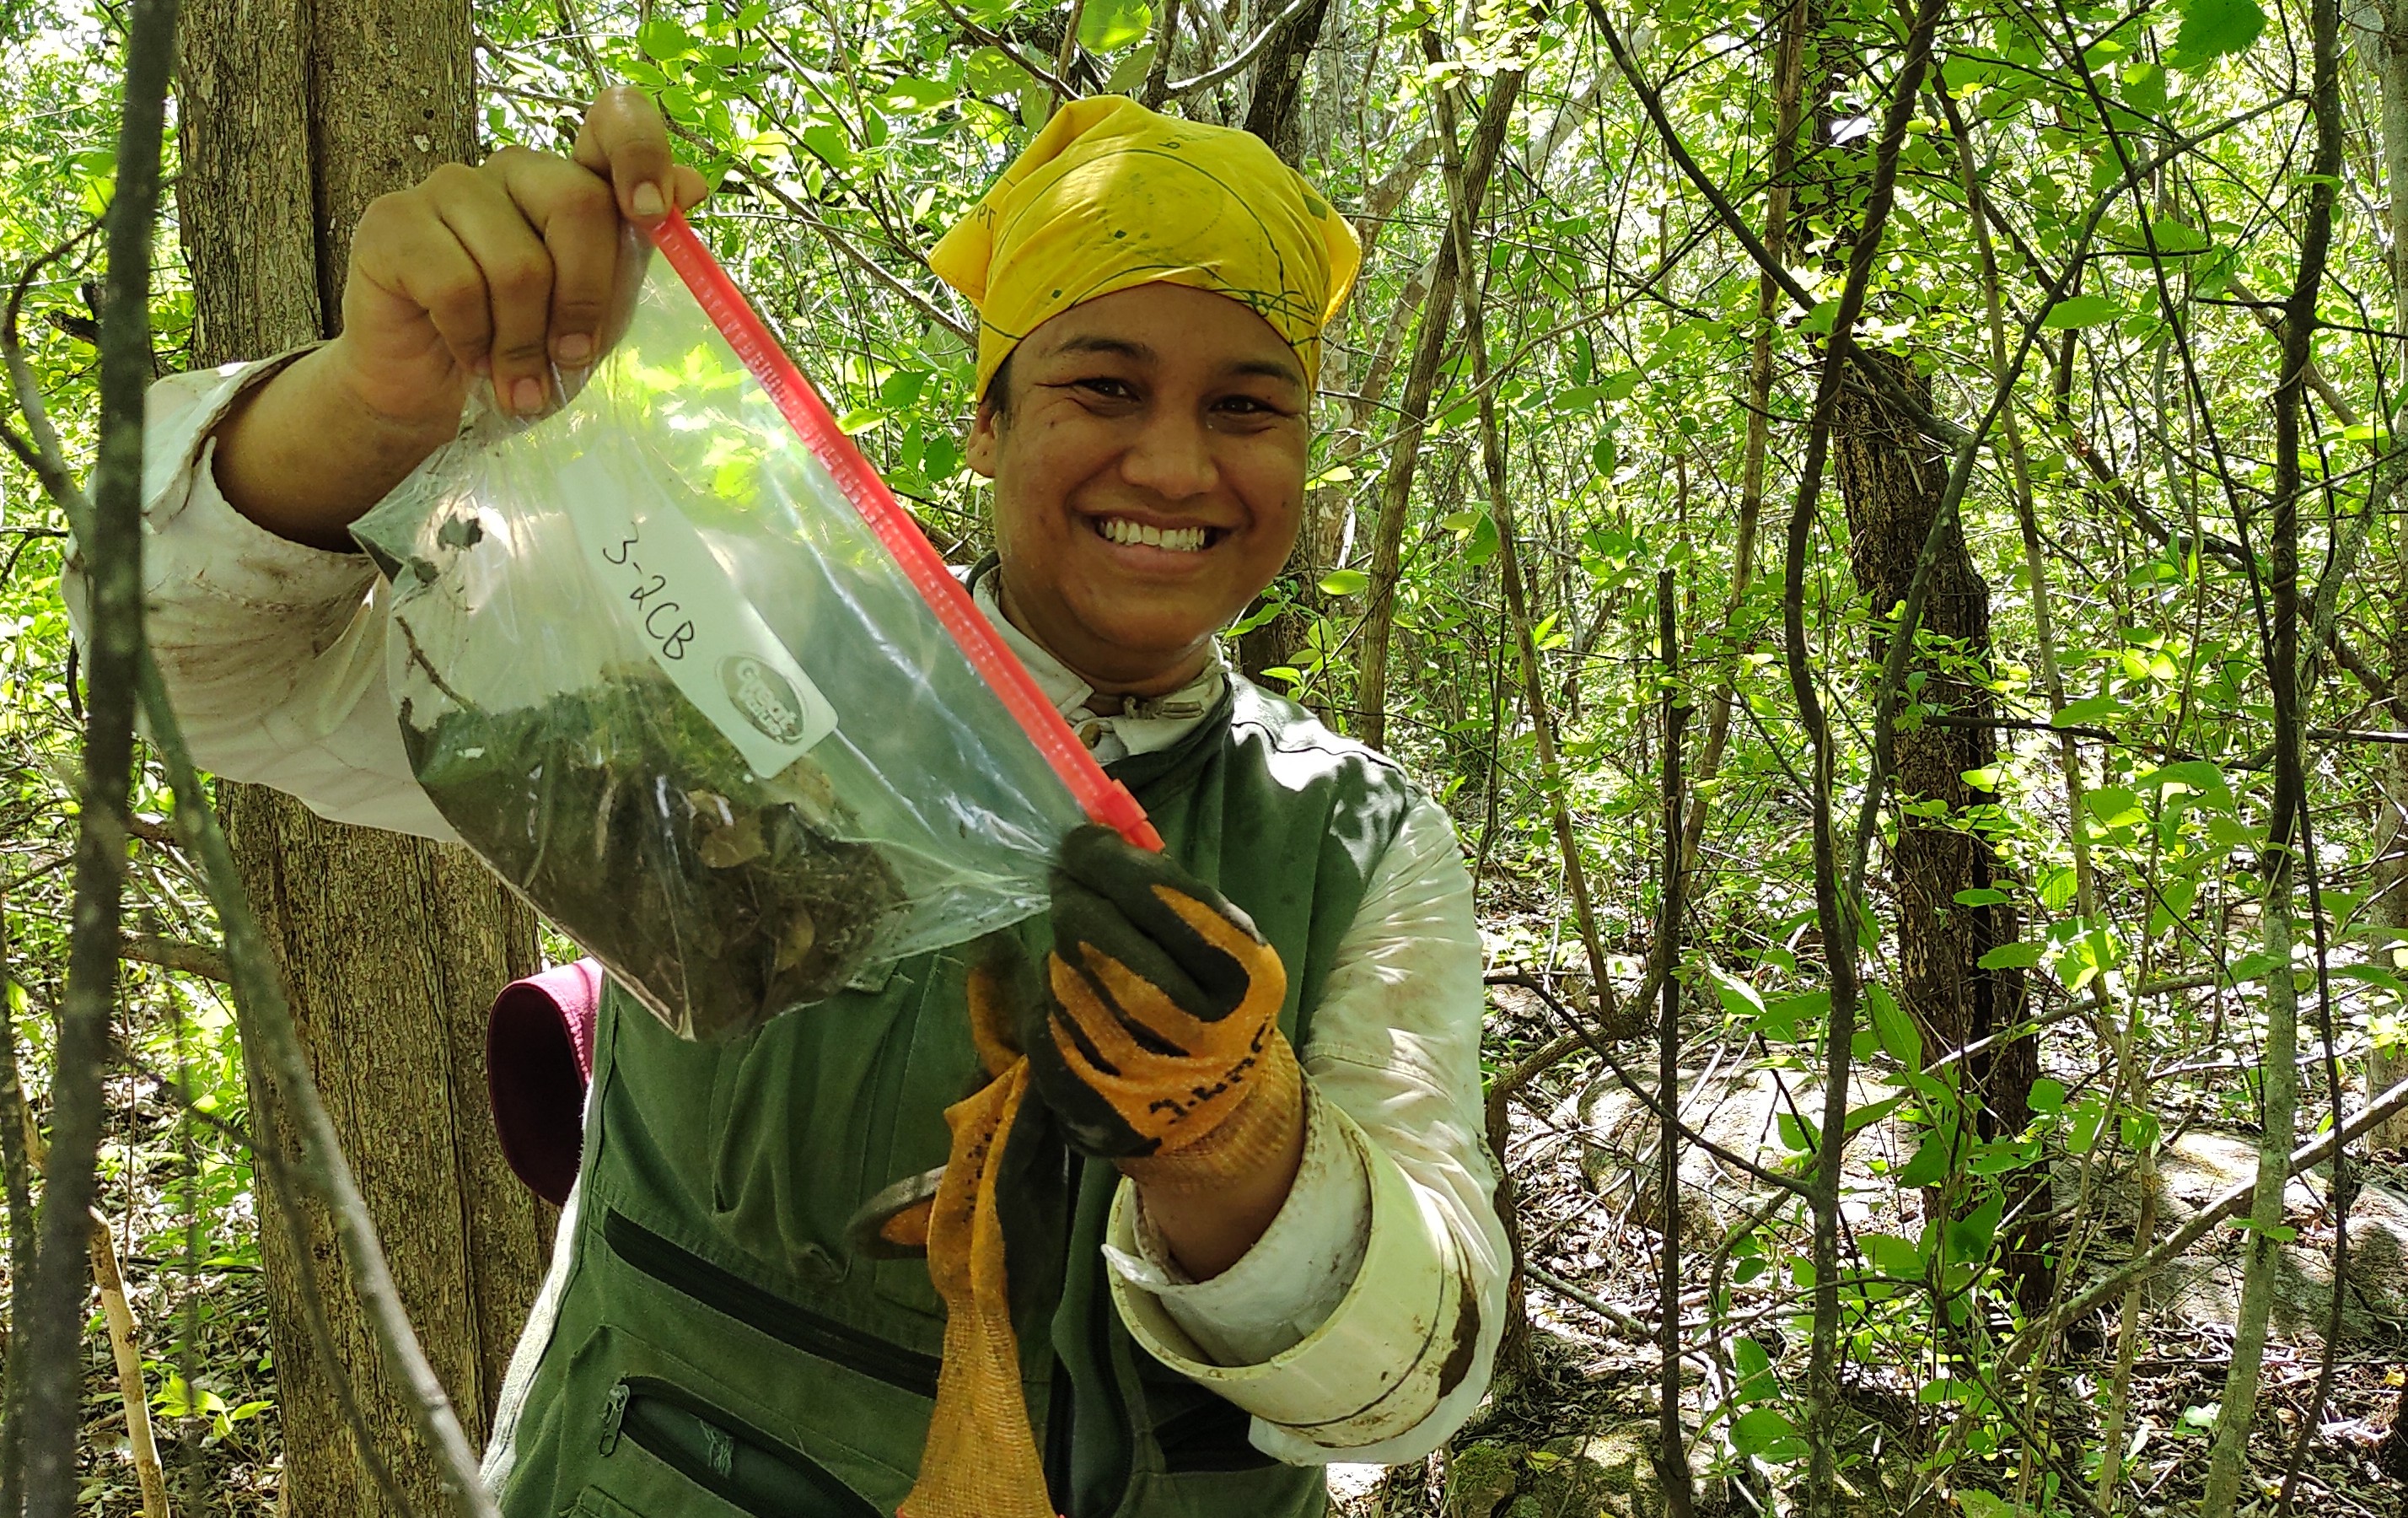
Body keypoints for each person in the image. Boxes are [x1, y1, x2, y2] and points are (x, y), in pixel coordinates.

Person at [99, 85, 1506, 1517]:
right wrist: (361, 405)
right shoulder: (739, 674)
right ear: (987, 419)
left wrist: (1241, 1154)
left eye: (1247, 406)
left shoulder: (1358, 841)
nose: (1174, 462)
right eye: (1103, 384)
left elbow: (1414, 1386)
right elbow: (191, 681)